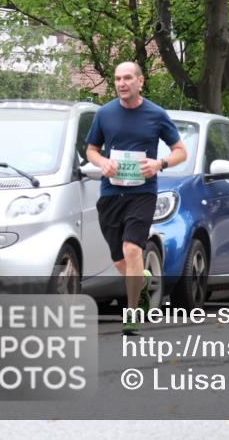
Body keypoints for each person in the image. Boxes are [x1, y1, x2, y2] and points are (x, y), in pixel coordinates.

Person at [86, 62, 187, 336]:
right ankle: (140, 278)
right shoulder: (105, 114)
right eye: (118, 78)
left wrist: (159, 164)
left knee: (133, 249)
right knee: (120, 259)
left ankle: (131, 315)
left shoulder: (155, 114)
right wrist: (102, 162)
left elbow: (181, 151)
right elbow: (91, 150)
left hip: (142, 193)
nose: (122, 83)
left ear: (140, 82)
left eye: (128, 78)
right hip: (110, 193)